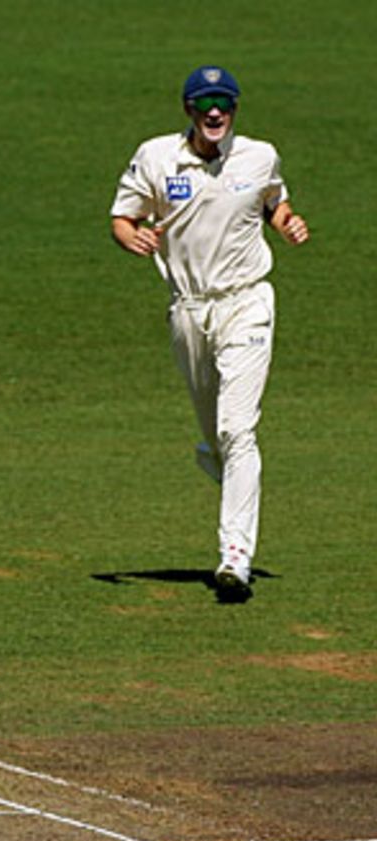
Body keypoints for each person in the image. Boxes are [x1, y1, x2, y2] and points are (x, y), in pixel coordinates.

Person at [109, 66, 309, 600]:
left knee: (238, 429)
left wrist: (287, 220)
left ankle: (235, 556)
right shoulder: (156, 157)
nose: (215, 112)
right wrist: (129, 237)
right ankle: (230, 476)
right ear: (189, 111)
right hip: (189, 311)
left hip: (246, 303)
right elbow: (123, 217)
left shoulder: (260, 156)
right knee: (218, 437)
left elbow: (272, 200)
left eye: (224, 103)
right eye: (205, 104)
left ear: (235, 110)